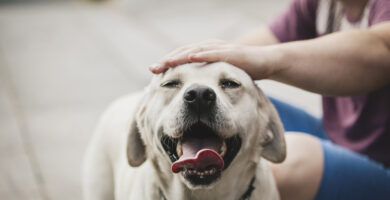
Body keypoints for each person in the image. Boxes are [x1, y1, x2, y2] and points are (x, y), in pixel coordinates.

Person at [149, 0, 390, 199]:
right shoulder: (321, 4)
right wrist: (186, 75)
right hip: (335, 134)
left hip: (383, 167)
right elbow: (240, 51)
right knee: (241, 102)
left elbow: (383, 47)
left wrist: (267, 61)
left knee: (292, 160)